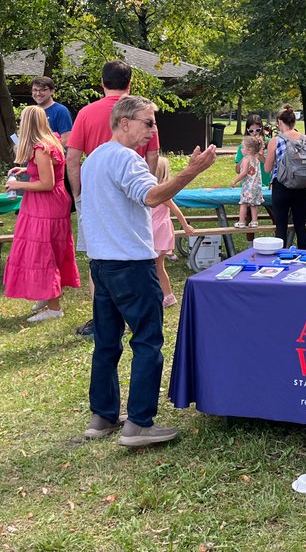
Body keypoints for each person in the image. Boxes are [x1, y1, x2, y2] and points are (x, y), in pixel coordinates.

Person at [79, 95, 216, 447]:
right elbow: (152, 197)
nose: (153, 130)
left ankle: (103, 416)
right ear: (124, 123)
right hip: (132, 265)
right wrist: (191, 171)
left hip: (102, 264)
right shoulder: (126, 159)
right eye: (148, 122)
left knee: (106, 344)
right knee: (147, 342)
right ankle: (139, 424)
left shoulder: (94, 158)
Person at [67, 60, 160, 337]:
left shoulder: (86, 113)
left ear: (102, 83)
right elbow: (153, 155)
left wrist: (79, 195)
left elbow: (73, 158)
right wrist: (145, 189)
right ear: (130, 83)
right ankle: (125, 319)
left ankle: (102, 320)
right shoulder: (141, 114)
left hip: (96, 193)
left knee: (99, 254)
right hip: (135, 194)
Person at [2, 106, 79, 322]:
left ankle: (54, 307)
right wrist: (26, 170)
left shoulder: (40, 147)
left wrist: (18, 184)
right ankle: (47, 295)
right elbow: (51, 168)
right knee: (50, 250)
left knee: (43, 253)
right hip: (54, 204)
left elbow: (47, 183)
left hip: (45, 206)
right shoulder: (52, 139)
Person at [264, 106, 306, 250]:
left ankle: (281, 257)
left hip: (282, 185)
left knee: (281, 226)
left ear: (280, 121)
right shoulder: (305, 139)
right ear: (294, 121)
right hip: (302, 184)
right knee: (300, 225)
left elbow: (267, 168)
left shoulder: (276, 140)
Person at [150, 156, 193, 308]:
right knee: (156, 266)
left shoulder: (161, 192)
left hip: (158, 231)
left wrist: (186, 226)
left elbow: (176, 210)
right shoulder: (152, 190)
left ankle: (167, 295)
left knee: (157, 266)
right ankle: (164, 295)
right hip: (154, 230)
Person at [230, 135, 264, 228]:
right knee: (254, 204)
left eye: (243, 147)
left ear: (249, 150)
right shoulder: (256, 160)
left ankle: (241, 221)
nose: (241, 149)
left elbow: (244, 173)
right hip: (256, 186)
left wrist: (235, 181)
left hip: (248, 186)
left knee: (244, 203)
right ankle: (254, 221)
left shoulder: (246, 160)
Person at [31, 76, 73, 145]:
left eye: (43, 90)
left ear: (52, 91)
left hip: (52, 154)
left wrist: (46, 151)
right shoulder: (32, 112)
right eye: (35, 90)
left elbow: (66, 139)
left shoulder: (61, 111)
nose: (38, 93)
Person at [235, 114, 271, 186]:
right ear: (247, 131)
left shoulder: (269, 143)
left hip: (264, 184)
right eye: (251, 131)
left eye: (257, 130)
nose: (254, 133)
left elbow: (272, 166)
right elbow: (238, 170)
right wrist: (246, 156)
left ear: (261, 129)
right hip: (247, 186)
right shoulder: (244, 145)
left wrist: (260, 156)